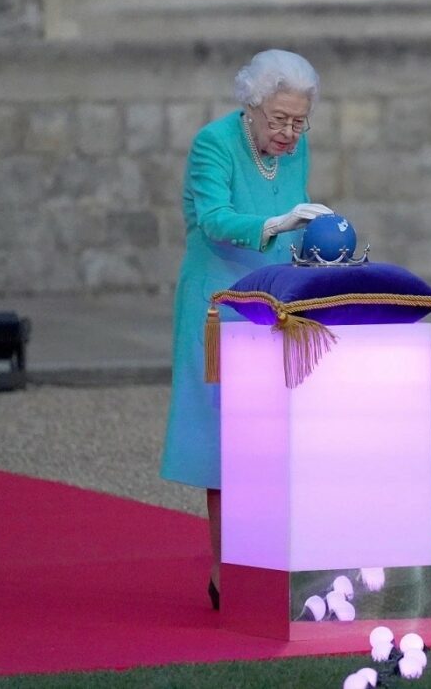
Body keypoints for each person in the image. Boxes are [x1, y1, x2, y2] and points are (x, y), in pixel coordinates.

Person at [160, 49, 331, 610]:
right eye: (279, 119)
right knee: (227, 440)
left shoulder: (296, 147)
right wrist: (274, 224)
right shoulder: (214, 142)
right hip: (221, 303)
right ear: (251, 107)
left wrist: (324, 255)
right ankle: (226, 570)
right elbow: (213, 217)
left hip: (278, 297)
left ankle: (281, 561)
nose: (288, 132)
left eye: (299, 120)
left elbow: (298, 215)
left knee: (279, 436)